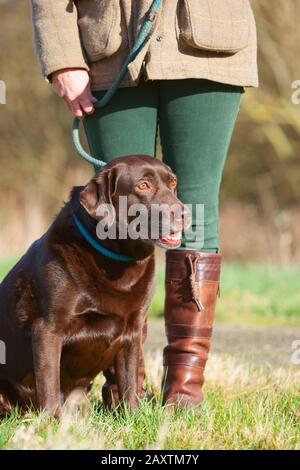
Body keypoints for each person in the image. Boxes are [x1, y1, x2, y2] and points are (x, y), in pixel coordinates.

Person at [30, 0, 258, 407]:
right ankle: (124, 391)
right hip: (108, 46)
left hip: (211, 42)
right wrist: (61, 54)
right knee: (117, 221)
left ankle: (183, 391)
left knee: (196, 212)